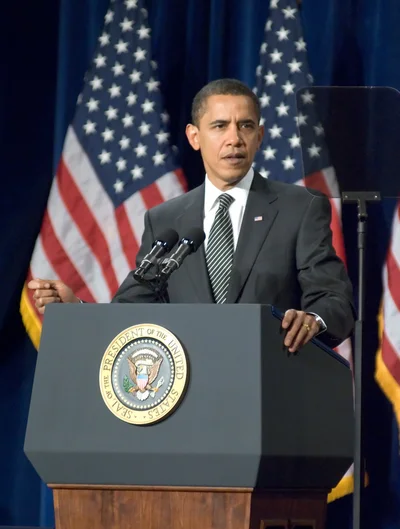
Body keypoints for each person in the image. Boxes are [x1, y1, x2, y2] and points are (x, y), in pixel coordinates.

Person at [29, 78, 355, 352]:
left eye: (246, 126)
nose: (234, 139)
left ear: (260, 137)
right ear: (194, 137)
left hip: (271, 384)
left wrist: (313, 319)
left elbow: (334, 300)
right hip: (187, 394)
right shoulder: (165, 220)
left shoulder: (300, 206)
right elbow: (132, 312)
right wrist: (77, 310)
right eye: (219, 126)